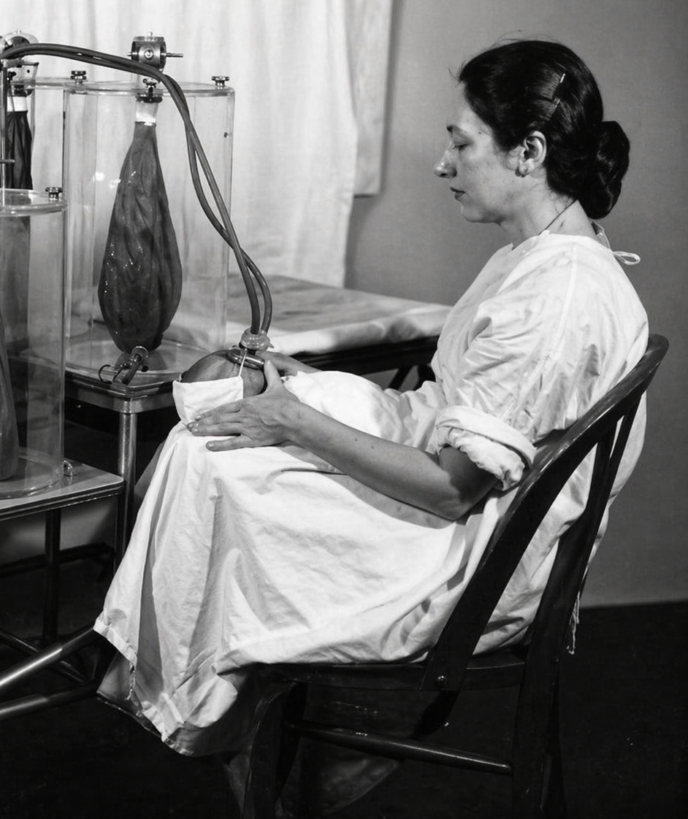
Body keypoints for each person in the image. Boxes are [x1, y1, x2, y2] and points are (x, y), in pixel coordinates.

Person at [93, 37, 648, 807]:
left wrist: (299, 421)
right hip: (457, 500)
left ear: (529, 152)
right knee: (223, 405)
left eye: (462, 143)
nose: (443, 163)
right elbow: (450, 412)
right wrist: (304, 387)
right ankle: (197, 692)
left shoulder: (559, 296)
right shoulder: (541, 256)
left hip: (465, 561)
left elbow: (452, 490)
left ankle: (200, 704)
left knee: (212, 458)